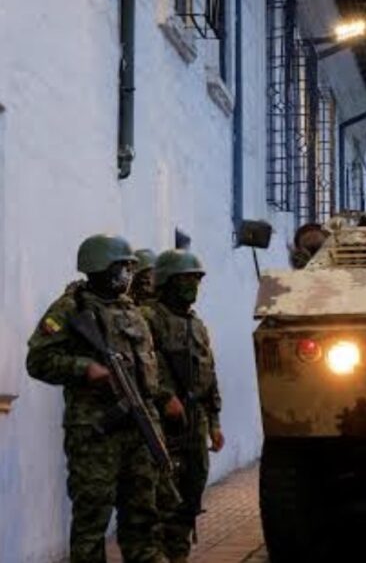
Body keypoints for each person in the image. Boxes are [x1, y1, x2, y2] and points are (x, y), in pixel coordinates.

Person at [26, 234, 167, 563]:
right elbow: (38, 361)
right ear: (99, 267)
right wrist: (84, 368)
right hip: (95, 434)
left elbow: (148, 374)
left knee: (143, 519)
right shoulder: (70, 308)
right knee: (92, 522)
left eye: (130, 267)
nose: (128, 274)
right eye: (122, 267)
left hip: (138, 430)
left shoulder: (132, 312)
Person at [143, 250, 223, 563]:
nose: (193, 286)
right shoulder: (149, 318)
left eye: (196, 279)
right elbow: (141, 367)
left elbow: (209, 373)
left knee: (191, 495)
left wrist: (214, 422)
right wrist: (164, 397)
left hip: (195, 420)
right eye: (185, 279)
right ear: (167, 281)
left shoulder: (196, 324)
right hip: (162, 422)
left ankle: (178, 555)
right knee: (162, 497)